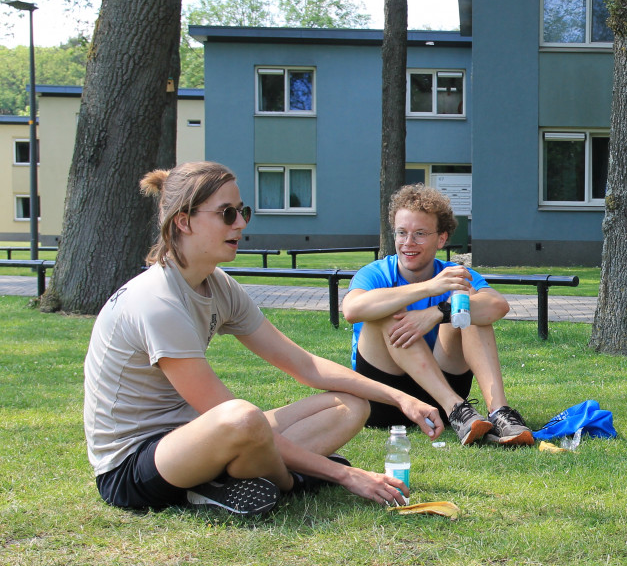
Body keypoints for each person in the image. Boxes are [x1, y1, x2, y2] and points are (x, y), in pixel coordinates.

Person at [85, 162, 443, 519]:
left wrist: (400, 398)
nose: (240, 224)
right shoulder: (157, 301)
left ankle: (239, 480)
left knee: (354, 404)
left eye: (242, 212)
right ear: (183, 221)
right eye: (227, 214)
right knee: (242, 418)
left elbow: (304, 365)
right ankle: (289, 480)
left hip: (198, 436)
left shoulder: (218, 285)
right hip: (133, 466)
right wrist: (344, 474)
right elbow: (221, 412)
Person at [341, 184, 534, 446]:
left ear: (441, 238)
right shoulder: (376, 272)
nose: (408, 242)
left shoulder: (452, 273)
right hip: (384, 400)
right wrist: (430, 288)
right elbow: (352, 310)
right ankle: (455, 407)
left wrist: (437, 312)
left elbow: (497, 306)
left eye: (419, 233)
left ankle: (500, 412)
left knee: (467, 307)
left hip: (438, 389)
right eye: (402, 233)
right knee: (386, 312)